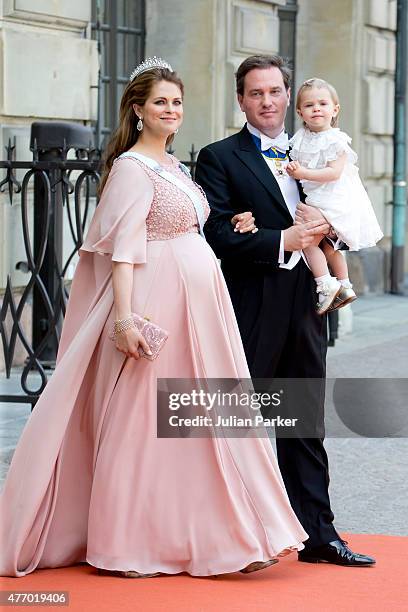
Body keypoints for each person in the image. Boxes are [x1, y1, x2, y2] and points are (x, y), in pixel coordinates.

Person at [0, 58, 308, 578]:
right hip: (156, 300)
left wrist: (235, 219)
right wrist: (124, 319)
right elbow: (123, 252)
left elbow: (190, 226)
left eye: (177, 102)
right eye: (160, 102)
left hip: (203, 305)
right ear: (138, 110)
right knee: (145, 420)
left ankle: (226, 532)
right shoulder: (131, 168)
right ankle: (128, 543)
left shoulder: (175, 168)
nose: (171, 110)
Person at [195, 54, 376, 566]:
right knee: (237, 421)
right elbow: (217, 233)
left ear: (287, 94)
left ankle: (320, 536)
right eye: (256, 93)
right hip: (251, 305)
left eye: (275, 91)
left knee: (303, 424)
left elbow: (342, 209)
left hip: (307, 304)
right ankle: (232, 534)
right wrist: (280, 238)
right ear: (241, 100)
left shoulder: (313, 147)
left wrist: (330, 231)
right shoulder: (218, 157)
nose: (267, 102)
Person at [286, 77, 383, 314]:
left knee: (307, 242)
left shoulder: (336, 140)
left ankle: (325, 284)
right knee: (329, 246)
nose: (316, 108)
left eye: (322, 103)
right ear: (300, 111)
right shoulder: (300, 138)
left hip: (332, 199)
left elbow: (333, 172)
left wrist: (302, 172)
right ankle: (345, 285)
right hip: (317, 197)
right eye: (309, 105)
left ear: (335, 109)